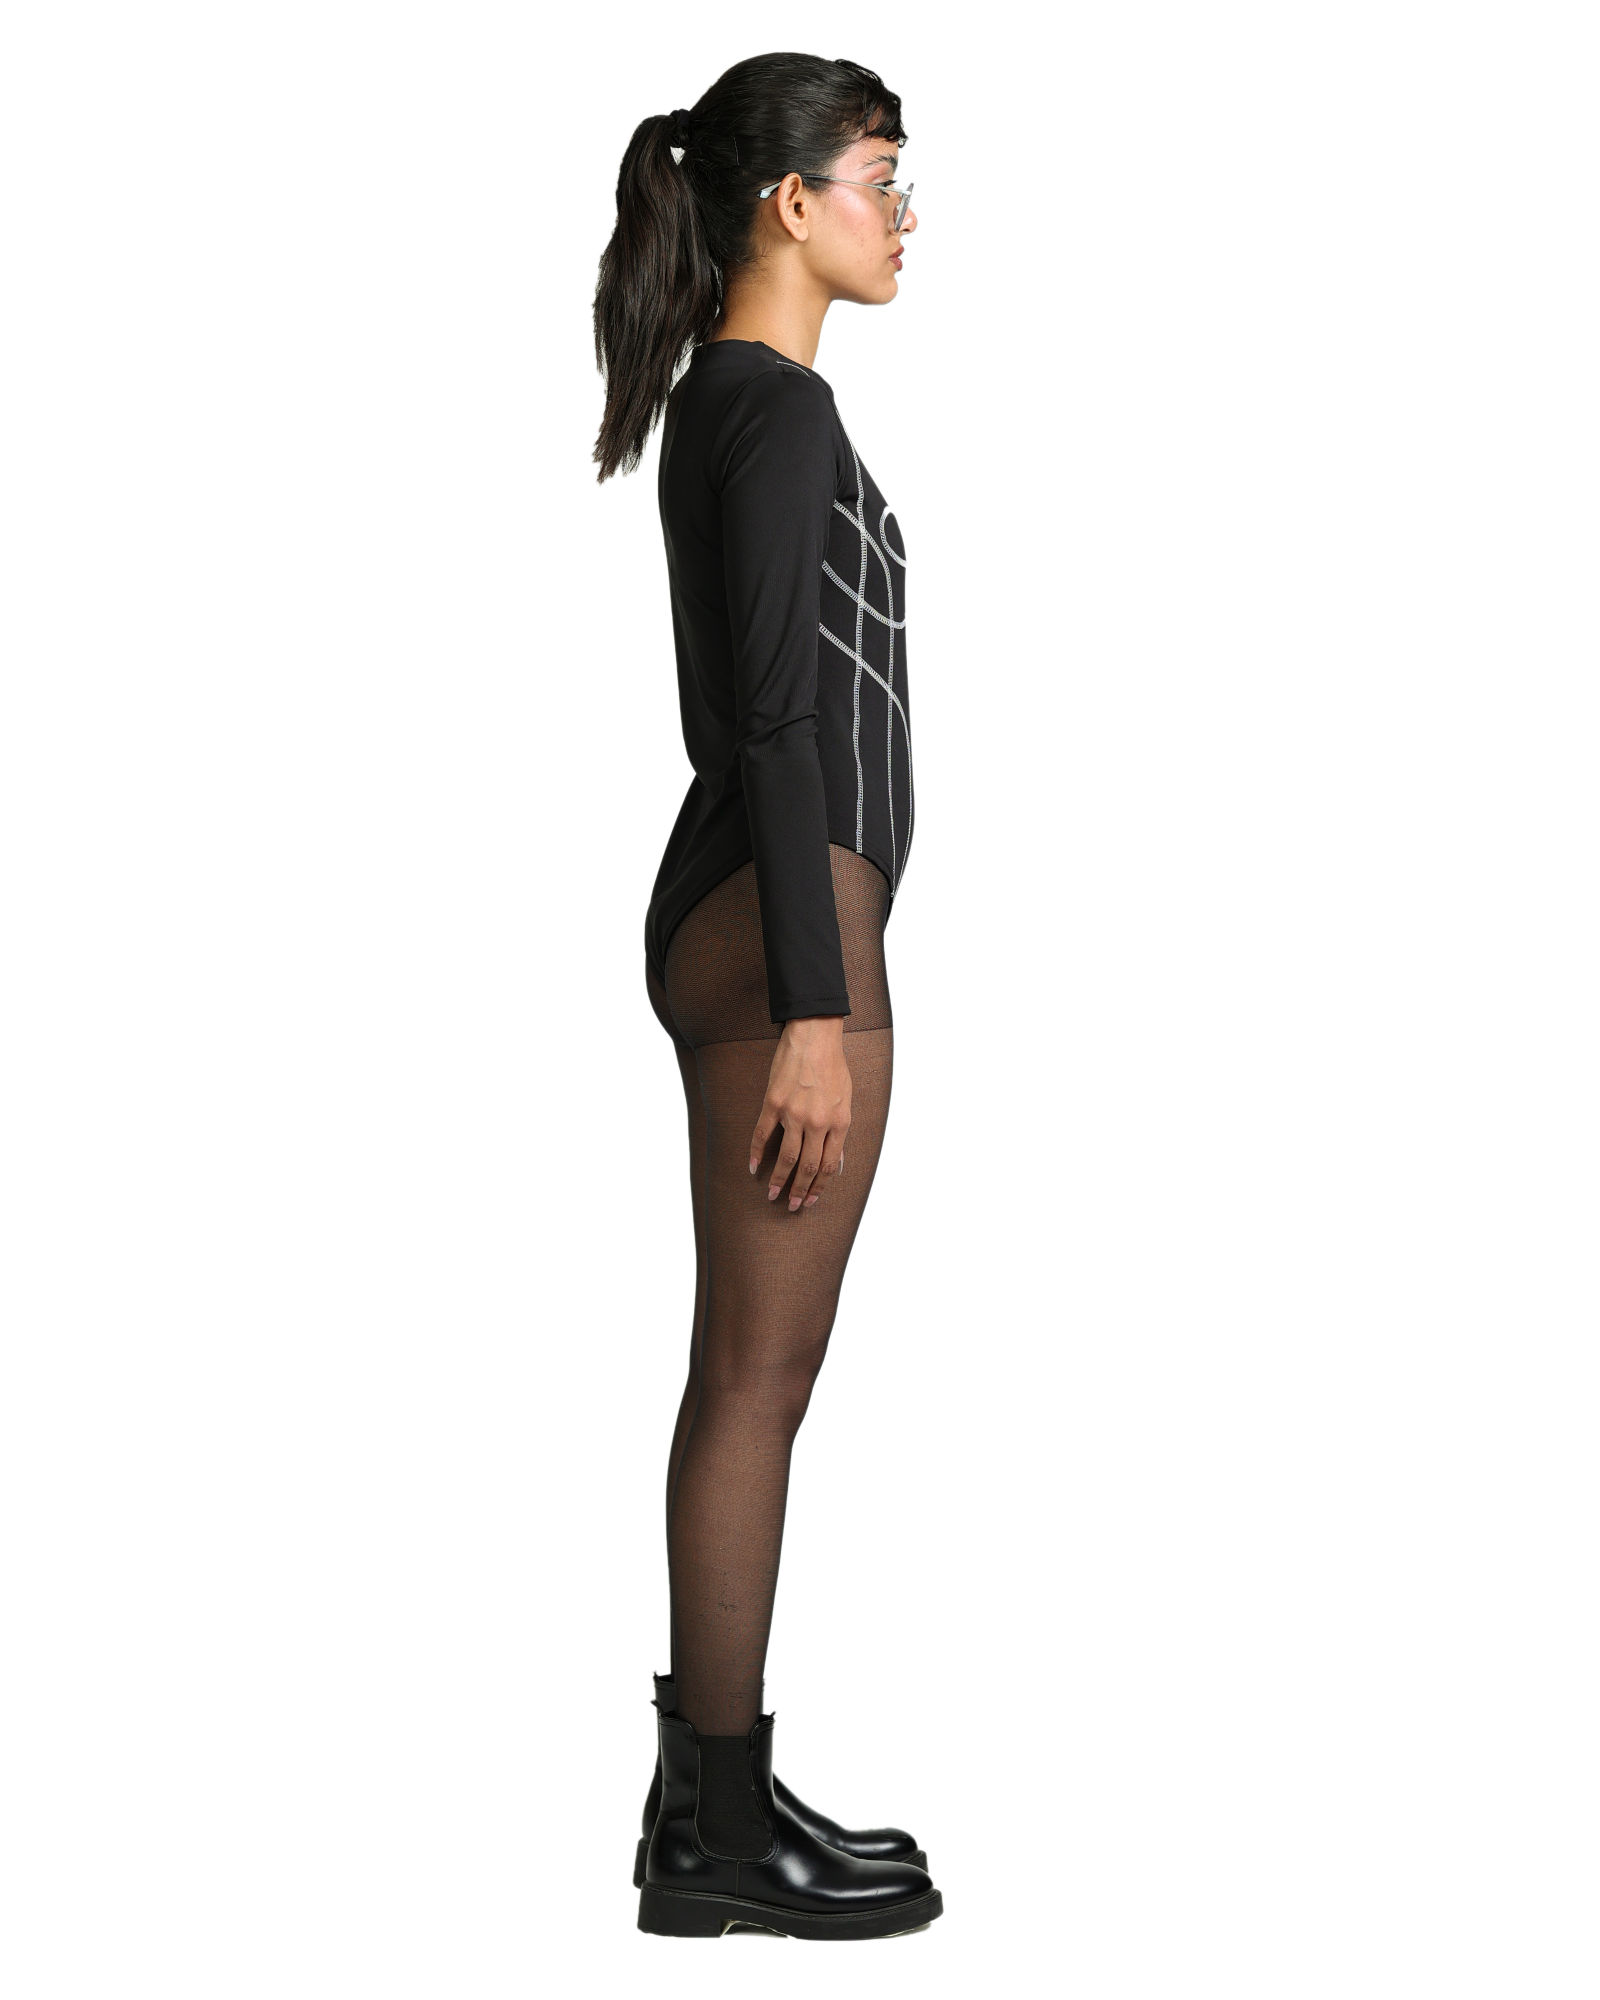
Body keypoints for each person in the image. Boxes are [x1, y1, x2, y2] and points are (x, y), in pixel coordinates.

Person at [589, 50, 942, 1944]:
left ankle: (724, 1795)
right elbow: (786, 726)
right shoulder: (774, 402)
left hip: (752, 915)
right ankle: (710, 1826)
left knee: (752, 1375)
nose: (906, 214)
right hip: (787, 936)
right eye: (885, 177)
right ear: (790, 204)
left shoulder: (726, 400)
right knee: (753, 1381)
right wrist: (817, 1006)